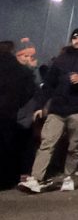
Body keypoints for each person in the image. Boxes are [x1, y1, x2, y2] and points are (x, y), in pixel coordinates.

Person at [24, 27, 78, 191]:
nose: (76, 41)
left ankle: (68, 177)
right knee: (47, 143)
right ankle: (35, 178)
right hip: (58, 108)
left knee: (74, 146)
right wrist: (40, 105)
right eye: (74, 38)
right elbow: (49, 84)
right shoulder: (62, 58)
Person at [0, 41, 38, 188]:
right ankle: (6, 180)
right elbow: (28, 93)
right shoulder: (20, 71)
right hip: (8, 112)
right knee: (7, 146)